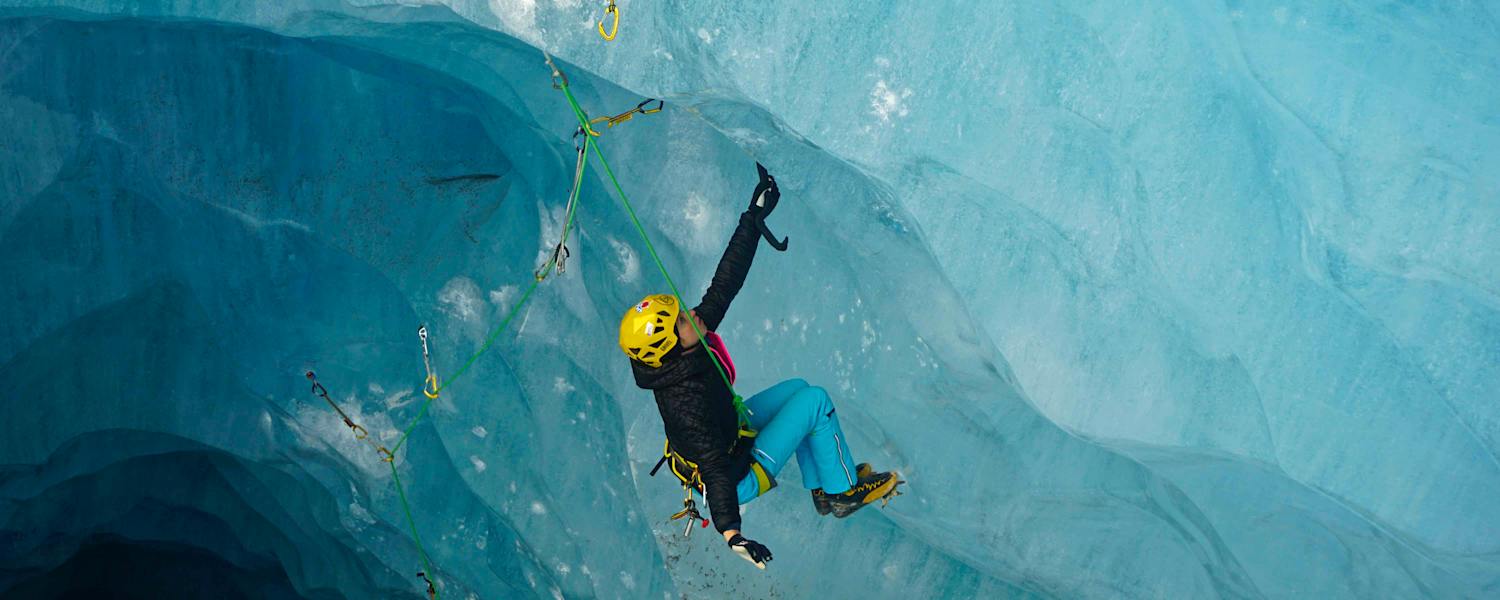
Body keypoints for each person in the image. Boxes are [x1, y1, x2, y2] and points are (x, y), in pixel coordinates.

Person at [618, 164, 901, 569]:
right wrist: (734, 535)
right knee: (816, 401)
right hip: (739, 473)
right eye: (681, 319)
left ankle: (822, 487)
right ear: (669, 345)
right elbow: (715, 472)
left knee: (799, 387)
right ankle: (841, 493)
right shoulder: (685, 402)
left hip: (735, 431)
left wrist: (752, 219)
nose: (691, 315)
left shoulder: (683, 346)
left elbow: (724, 286)